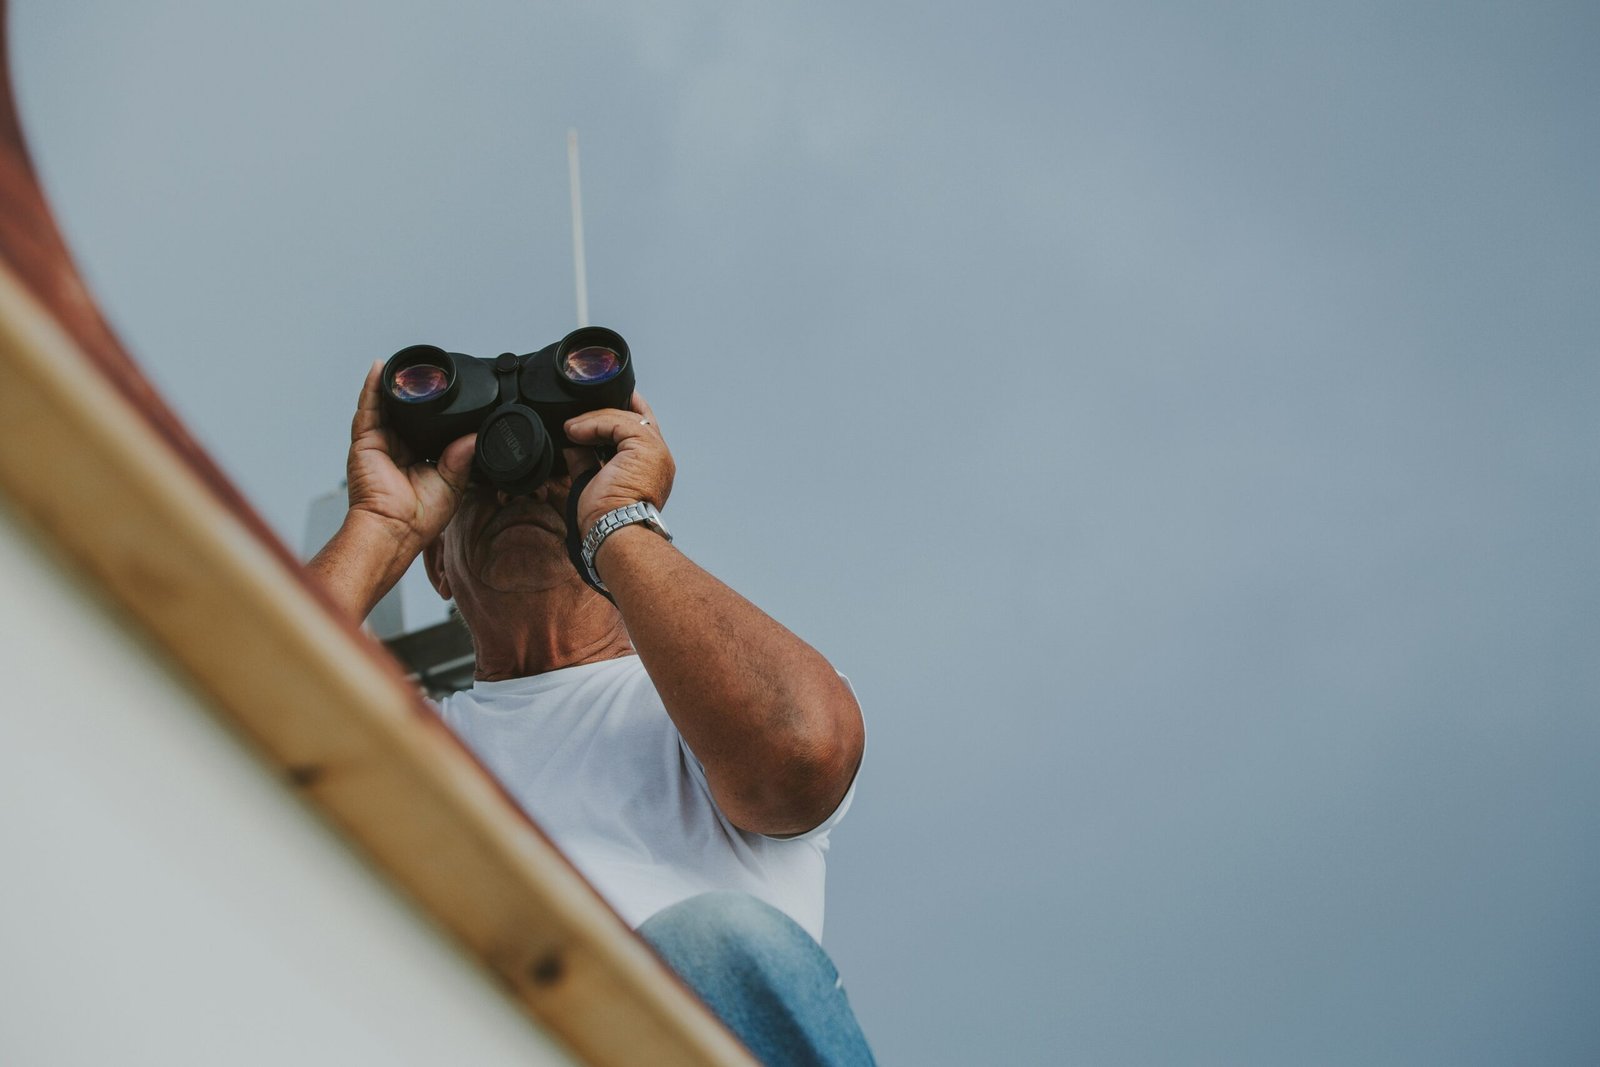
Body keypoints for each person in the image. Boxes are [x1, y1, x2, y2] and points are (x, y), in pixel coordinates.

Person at [308, 361, 874, 1066]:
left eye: (560, 470)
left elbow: (801, 757)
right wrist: (380, 525)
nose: (519, 485)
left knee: (712, 940)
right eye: (480, 480)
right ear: (437, 567)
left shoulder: (710, 710)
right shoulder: (400, 748)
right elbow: (206, 739)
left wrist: (618, 521)